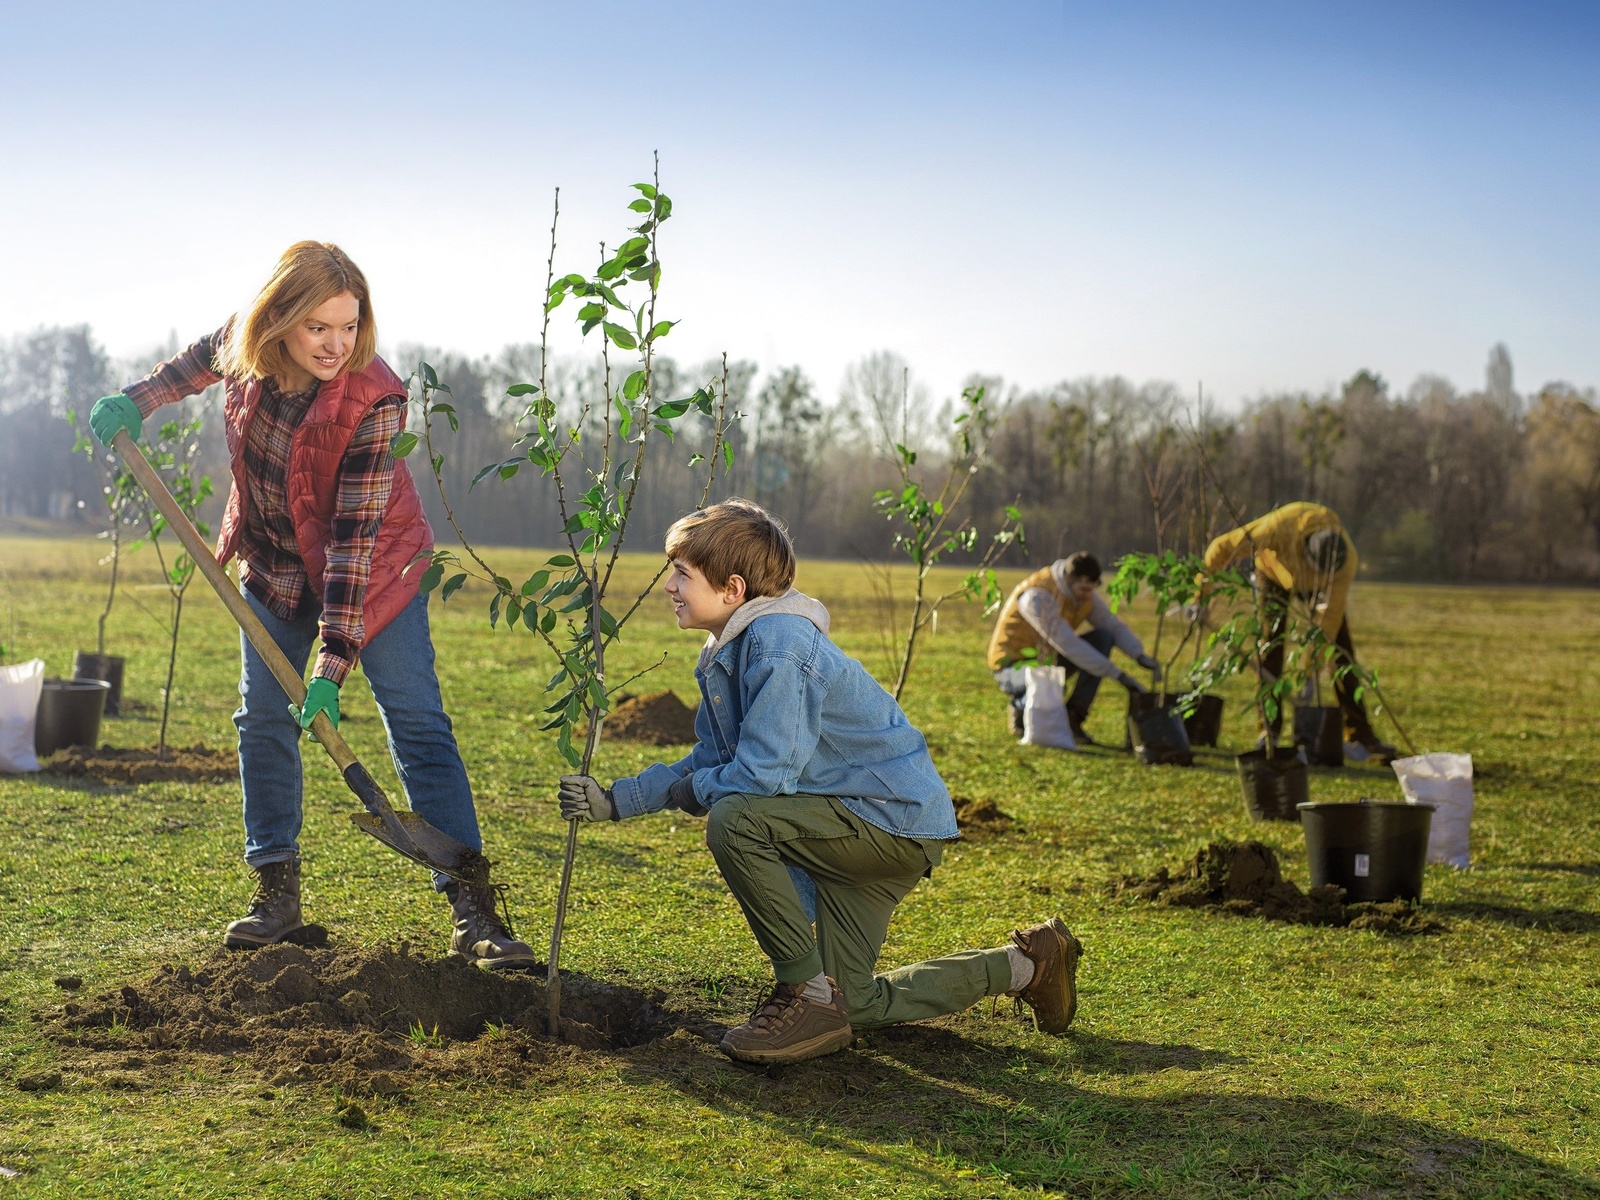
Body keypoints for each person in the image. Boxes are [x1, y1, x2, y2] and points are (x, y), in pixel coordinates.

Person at [88, 241, 534, 968]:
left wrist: (331, 663)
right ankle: (277, 897)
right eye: (318, 327)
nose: (336, 344)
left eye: (349, 326)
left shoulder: (374, 401)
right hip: (272, 567)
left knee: (417, 719)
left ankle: (474, 913)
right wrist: (137, 401)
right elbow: (193, 365)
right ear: (281, 321)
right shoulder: (244, 343)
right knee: (262, 716)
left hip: (374, 575)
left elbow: (354, 547)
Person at [557, 500, 1083, 1066]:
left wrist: (694, 793)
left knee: (735, 819)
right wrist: (617, 801)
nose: (668, 585)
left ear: (732, 589)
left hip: (887, 821)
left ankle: (804, 993)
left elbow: (761, 774)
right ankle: (1029, 965)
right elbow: (711, 758)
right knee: (852, 1003)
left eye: (681, 573)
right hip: (856, 829)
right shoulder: (729, 652)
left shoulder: (779, 647)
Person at [1202, 501, 1397, 763]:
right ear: (1306, 552)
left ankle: (1360, 735)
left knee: (1341, 654)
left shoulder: (1344, 563)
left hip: (1318, 590)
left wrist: (1310, 674)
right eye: (1315, 568)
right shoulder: (1277, 529)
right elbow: (1220, 548)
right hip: (1273, 572)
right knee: (1270, 646)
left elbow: (1327, 624)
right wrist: (1200, 599)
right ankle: (1268, 731)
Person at [986, 552, 1161, 742]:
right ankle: (1020, 706)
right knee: (1050, 686)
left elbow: (1111, 624)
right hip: (1012, 665)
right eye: (1084, 589)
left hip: (1047, 658)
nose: (1088, 596)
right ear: (1068, 579)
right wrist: (1118, 675)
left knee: (1102, 638)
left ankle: (1073, 718)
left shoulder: (1084, 595)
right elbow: (1067, 643)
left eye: (1091, 590)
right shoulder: (1037, 596)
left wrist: (1138, 654)